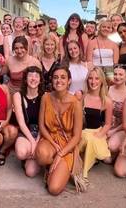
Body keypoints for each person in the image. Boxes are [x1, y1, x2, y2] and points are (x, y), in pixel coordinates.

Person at [35, 64, 85, 195]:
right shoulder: (46, 98)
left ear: (69, 81)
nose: (59, 81)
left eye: (63, 77)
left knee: (54, 189)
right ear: (52, 80)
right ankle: (52, 166)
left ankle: (58, 168)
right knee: (41, 155)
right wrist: (52, 143)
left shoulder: (76, 103)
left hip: (68, 144)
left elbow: (77, 136)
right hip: (50, 139)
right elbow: (41, 126)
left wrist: (61, 154)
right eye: (56, 77)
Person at [79, 67, 112, 177]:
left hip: (97, 131)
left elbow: (107, 124)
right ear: (87, 80)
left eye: (97, 78)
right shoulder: (82, 97)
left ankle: (90, 157)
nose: (93, 82)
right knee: (89, 140)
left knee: (106, 158)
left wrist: (100, 134)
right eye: (90, 78)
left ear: (102, 80)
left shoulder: (106, 101)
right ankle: (84, 172)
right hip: (83, 132)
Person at [13, 66, 43, 177]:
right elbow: (21, 123)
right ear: (25, 79)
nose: (33, 79)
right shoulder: (18, 96)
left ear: (40, 80)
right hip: (26, 132)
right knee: (21, 153)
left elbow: (44, 123)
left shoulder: (44, 96)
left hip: (41, 133)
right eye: (30, 76)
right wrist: (33, 142)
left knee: (30, 173)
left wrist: (38, 140)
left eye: (36, 76)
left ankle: (37, 158)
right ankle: (29, 156)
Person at [107, 64, 126, 155]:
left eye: (121, 74)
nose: (117, 77)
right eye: (115, 74)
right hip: (106, 125)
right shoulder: (107, 89)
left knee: (111, 146)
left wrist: (113, 131)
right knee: (106, 158)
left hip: (120, 128)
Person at [86, 19, 119, 83]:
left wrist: (111, 76)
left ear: (111, 29)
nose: (106, 29)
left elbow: (115, 63)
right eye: (104, 27)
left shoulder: (114, 44)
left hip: (110, 74)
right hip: (95, 73)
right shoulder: (92, 42)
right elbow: (89, 61)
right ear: (99, 28)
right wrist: (94, 74)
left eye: (108, 27)